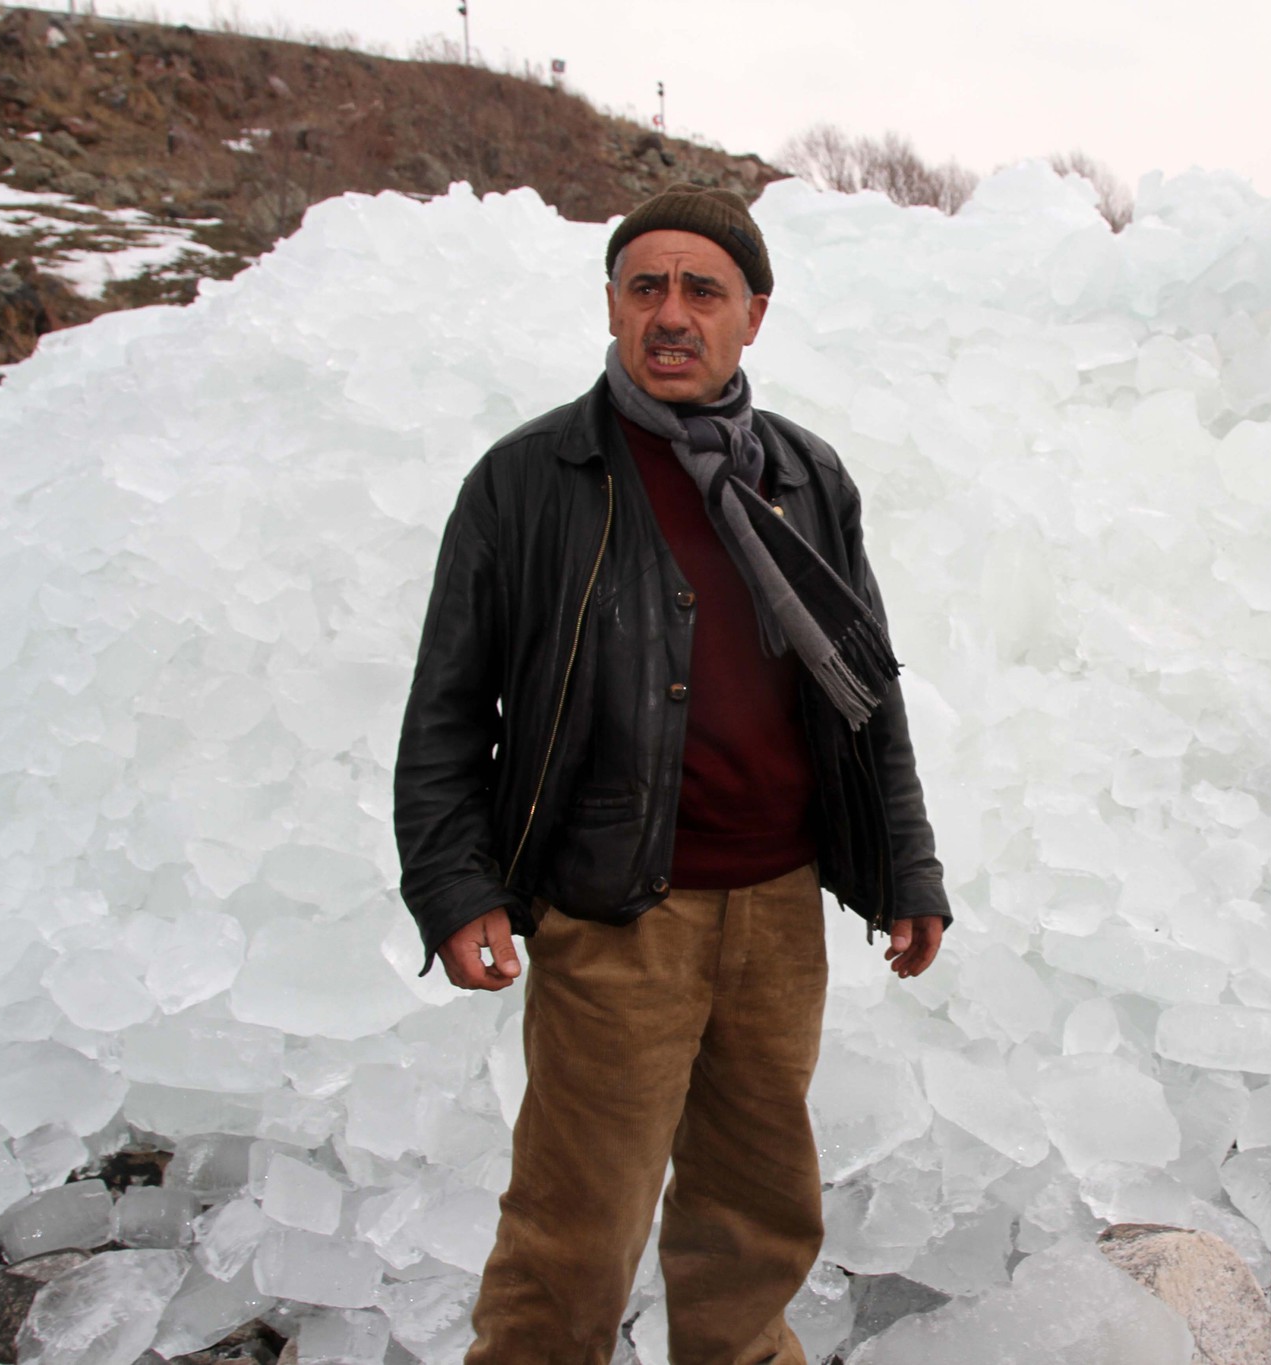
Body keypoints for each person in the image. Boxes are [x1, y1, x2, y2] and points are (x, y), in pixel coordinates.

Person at [392, 183, 950, 1365]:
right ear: (611, 305)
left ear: (755, 314)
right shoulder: (530, 479)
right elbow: (446, 706)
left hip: (777, 909)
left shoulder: (804, 476)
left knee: (755, 1221)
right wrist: (455, 887)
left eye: (704, 288)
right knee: (575, 1231)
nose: (672, 312)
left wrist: (907, 863)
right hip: (613, 913)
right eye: (646, 286)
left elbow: (866, 691)